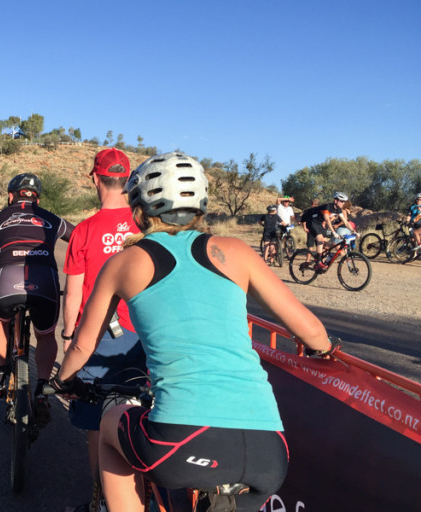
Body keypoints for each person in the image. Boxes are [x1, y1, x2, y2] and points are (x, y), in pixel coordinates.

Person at [51, 152, 333, 512]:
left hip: (180, 441)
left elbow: (83, 343)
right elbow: (312, 332)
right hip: (268, 452)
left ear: (139, 207)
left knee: (109, 425)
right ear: (201, 203)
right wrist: (323, 351)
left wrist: (64, 381)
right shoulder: (235, 251)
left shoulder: (125, 261)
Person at [62, 148, 147, 511]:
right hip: (143, 334)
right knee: (141, 411)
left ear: (95, 179)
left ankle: (101, 499)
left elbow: (74, 292)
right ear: (127, 181)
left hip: (98, 337)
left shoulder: (84, 230)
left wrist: (69, 338)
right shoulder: (146, 226)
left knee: (98, 418)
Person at [0, 173, 73, 425]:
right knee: (46, 335)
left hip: (8, 281)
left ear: (10, 195)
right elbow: (82, 239)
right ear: (37, 197)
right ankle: (41, 387)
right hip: (45, 283)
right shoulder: (52, 219)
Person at [301, 192, 355, 269]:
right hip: (311, 221)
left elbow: (345, 222)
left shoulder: (338, 209)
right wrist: (333, 232)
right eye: (342, 201)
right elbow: (327, 220)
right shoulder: (327, 207)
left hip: (319, 223)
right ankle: (318, 263)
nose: (343, 203)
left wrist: (354, 231)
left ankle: (322, 256)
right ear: (336, 201)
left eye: (344, 202)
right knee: (320, 240)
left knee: (327, 242)